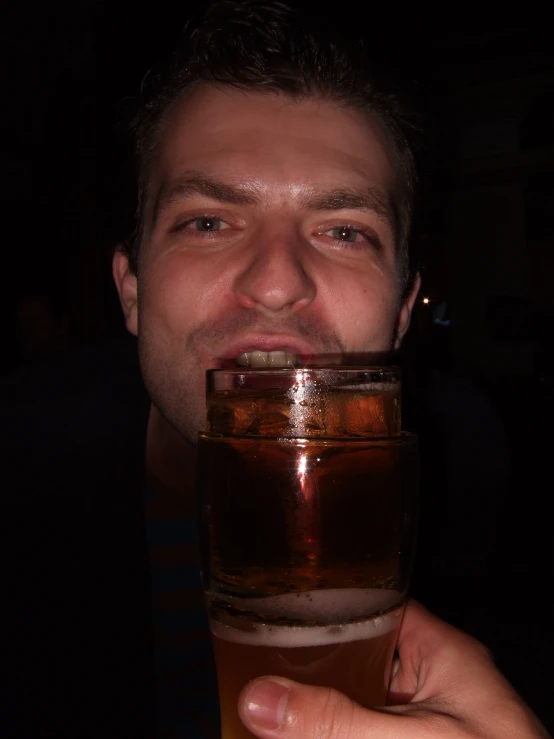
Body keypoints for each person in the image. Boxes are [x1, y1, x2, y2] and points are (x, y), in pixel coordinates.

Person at [2, 1, 550, 737]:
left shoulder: (467, 465)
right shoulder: (21, 459)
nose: (275, 281)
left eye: (344, 230)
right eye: (207, 221)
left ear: (402, 310)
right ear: (131, 288)